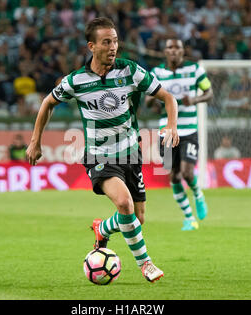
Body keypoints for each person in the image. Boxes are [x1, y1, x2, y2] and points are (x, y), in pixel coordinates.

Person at [26, 17, 179, 283]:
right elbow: (48, 103)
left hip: (131, 154)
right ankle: (146, 264)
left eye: (116, 41)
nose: (113, 47)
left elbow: (168, 97)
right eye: (106, 42)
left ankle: (102, 227)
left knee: (137, 219)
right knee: (124, 203)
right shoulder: (76, 81)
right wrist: (35, 140)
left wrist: (172, 125)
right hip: (98, 155)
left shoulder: (130, 71)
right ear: (91, 46)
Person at [148, 38, 213, 231]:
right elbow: (148, 101)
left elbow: (209, 93)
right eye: (170, 48)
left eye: (178, 48)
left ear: (183, 51)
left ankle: (198, 193)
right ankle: (189, 218)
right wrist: (154, 99)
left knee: (186, 172)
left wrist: (193, 99)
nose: (174, 51)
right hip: (166, 130)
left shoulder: (195, 70)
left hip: (189, 128)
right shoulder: (157, 73)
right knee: (174, 176)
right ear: (165, 52)